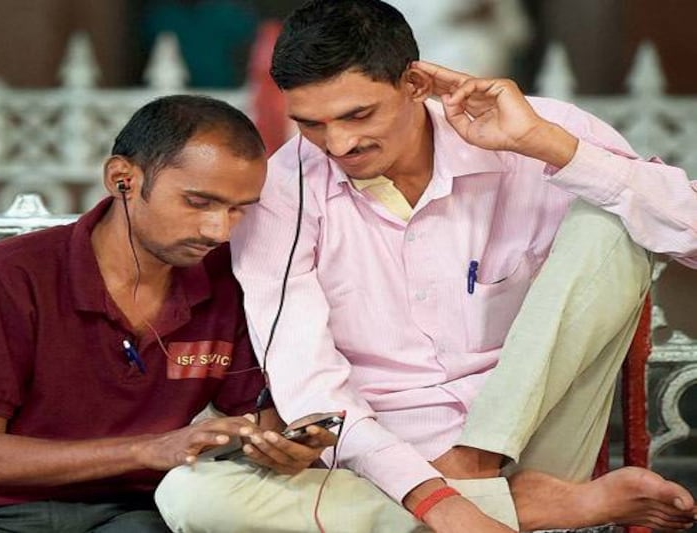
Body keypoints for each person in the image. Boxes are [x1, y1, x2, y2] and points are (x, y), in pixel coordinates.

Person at [155, 1, 697, 532]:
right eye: (311, 124)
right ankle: (534, 507)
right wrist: (433, 497)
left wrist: (542, 145)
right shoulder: (282, 193)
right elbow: (311, 386)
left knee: (613, 215)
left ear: (414, 84)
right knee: (189, 495)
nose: (338, 144)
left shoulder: (536, 131)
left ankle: (485, 475)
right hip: (381, 464)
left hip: (539, 440)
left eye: (357, 114)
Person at [0, 95, 337, 532]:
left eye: (239, 209)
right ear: (122, 179)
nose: (218, 230)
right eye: (198, 202)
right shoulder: (13, 276)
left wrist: (281, 447)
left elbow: (259, 416)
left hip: (127, 513)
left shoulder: (227, 282)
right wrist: (147, 451)